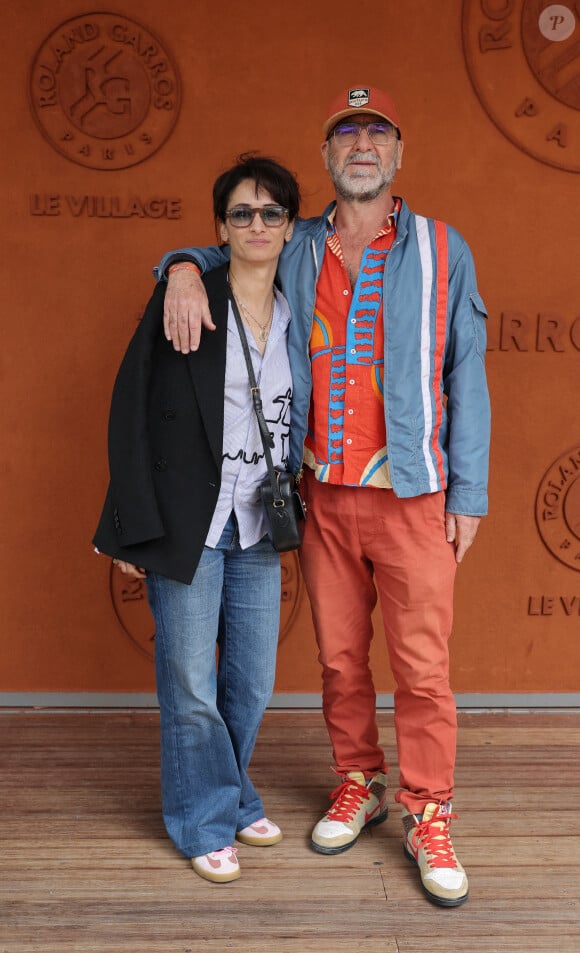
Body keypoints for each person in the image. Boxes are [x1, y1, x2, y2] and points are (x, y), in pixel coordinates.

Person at [152, 85, 491, 907]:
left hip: (413, 491)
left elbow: (467, 373)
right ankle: (360, 782)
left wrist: (470, 491)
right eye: (347, 135)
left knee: (420, 664)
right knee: (339, 659)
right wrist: (178, 271)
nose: (363, 146)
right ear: (328, 157)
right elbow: (224, 247)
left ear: (399, 153)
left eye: (378, 133)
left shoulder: (445, 249)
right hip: (320, 493)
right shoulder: (296, 243)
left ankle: (428, 809)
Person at [93, 155, 300, 884]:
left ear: (290, 226)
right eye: (241, 213)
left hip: (258, 523)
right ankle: (202, 819)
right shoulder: (187, 297)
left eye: (271, 213)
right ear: (221, 227)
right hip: (189, 519)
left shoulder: (299, 307)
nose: (257, 225)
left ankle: (233, 790)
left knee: (252, 681)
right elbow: (132, 407)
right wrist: (129, 521)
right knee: (188, 680)